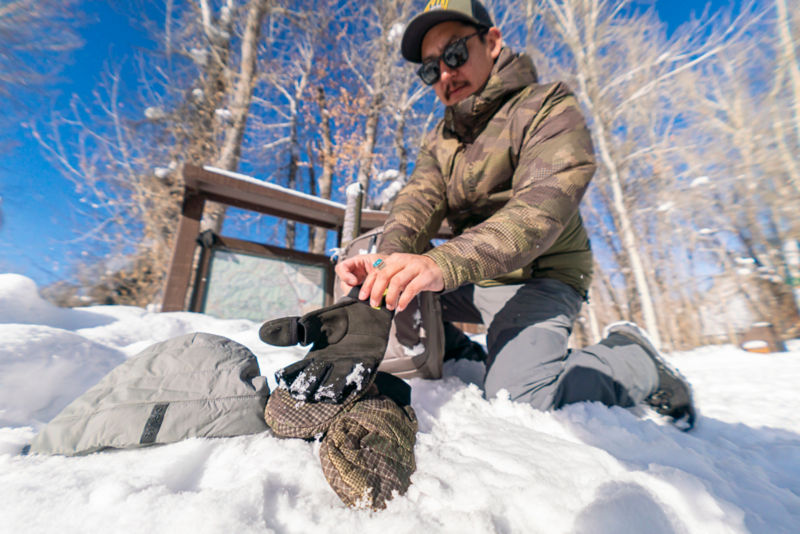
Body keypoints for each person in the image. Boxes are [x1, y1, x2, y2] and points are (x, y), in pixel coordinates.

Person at [335, 0, 696, 429]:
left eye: (454, 54)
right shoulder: (440, 140)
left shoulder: (548, 107)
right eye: (431, 69)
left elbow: (538, 212)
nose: (446, 75)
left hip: (541, 276)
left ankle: (634, 359)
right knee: (394, 295)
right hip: (472, 277)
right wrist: (385, 262)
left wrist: (439, 262)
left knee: (518, 396)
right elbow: (417, 203)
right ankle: (463, 352)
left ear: (492, 41)